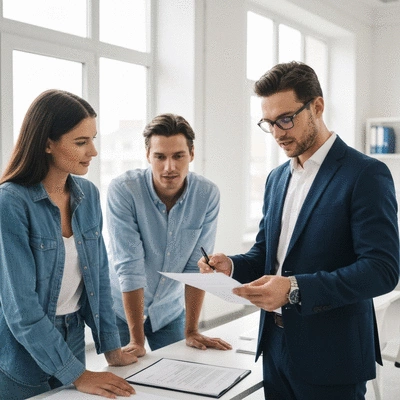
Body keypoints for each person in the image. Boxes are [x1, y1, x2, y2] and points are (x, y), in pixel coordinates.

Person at [198, 62, 400, 400]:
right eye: (269, 123)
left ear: (317, 107)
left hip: (334, 357)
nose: (277, 133)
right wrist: (230, 266)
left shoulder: (365, 174)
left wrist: (294, 289)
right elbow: (266, 255)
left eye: (286, 119)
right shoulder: (277, 178)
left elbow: (382, 271)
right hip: (275, 348)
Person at [0, 90, 137, 400]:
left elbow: (99, 277)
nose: (93, 151)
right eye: (81, 142)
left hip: (73, 337)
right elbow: (21, 309)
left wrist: (112, 348)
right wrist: (77, 374)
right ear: (47, 143)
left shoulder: (88, 195)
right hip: (21, 353)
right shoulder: (11, 202)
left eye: (93, 139)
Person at [107, 113, 232, 355]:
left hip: (169, 310)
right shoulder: (124, 190)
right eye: (160, 157)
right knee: (128, 382)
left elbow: (197, 267)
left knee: (183, 373)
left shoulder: (207, 195)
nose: (169, 167)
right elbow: (129, 267)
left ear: (192, 154)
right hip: (121, 310)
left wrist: (192, 330)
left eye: (178, 156)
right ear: (147, 156)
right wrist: (136, 341)